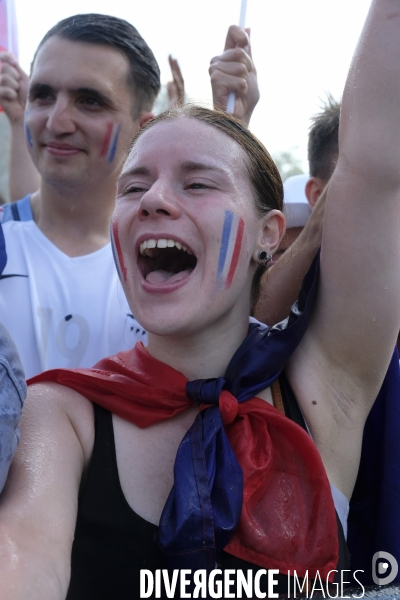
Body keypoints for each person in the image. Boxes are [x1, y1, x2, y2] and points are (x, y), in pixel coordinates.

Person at [2, 1, 400, 596]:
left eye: (197, 182)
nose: (154, 200)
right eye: (134, 186)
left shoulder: (324, 392)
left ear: (270, 233)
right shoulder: (61, 412)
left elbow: (374, 160)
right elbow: (23, 554)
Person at [0, 14, 160, 378]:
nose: (57, 122)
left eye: (89, 101)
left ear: (142, 130)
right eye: (42, 96)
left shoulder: (172, 266)